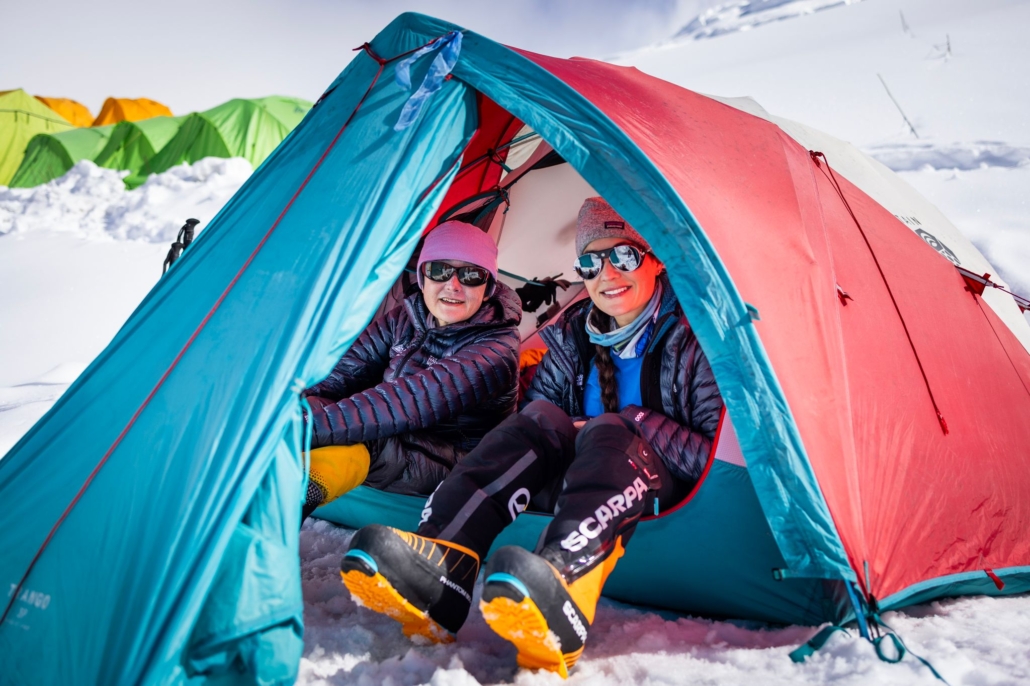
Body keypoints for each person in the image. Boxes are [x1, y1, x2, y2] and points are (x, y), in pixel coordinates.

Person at [339, 197, 724, 676]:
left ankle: (564, 586)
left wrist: (630, 423)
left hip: (648, 483)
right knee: (537, 418)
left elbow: (709, 457)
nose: (607, 273)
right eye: (589, 262)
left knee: (608, 428)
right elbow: (536, 424)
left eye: (623, 255)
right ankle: (443, 565)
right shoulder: (571, 334)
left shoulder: (695, 338)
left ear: (655, 258)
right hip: (579, 477)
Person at [301, 220, 522, 520]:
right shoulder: (404, 317)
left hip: (456, 462)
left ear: (488, 288)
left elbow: (403, 404)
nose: (453, 285)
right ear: (422, 277)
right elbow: (340, 376)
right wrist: (291, 410)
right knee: (314, 407)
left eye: (471, 274)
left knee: (367, 432)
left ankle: (291, 500)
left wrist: (300, 429)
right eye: (439, 270)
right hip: (396, 436)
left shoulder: (497, 350)